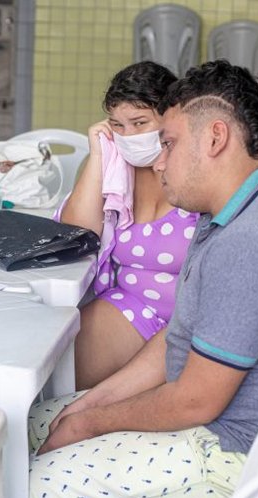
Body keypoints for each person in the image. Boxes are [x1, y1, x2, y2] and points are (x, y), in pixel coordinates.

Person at [28, 61, 258, 498]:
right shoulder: (231, 210)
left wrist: (91, 423)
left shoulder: (254, 240)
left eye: (169, 143)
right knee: (25, 425)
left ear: (215, 138)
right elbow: (177, 336)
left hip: (247, 460)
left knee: (29, 489)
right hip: (220, 425)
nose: (157, 161)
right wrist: (92, 404)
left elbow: (196, 399)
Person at [57, 62, 199, 389]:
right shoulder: (119, 171)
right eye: (117, 125)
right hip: (129, 306)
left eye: (139, 123)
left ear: (171, 118)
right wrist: (98, 154)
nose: (129, 136)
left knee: (60, 378)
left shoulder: (194, 175)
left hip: (184, 323)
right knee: (49, 363)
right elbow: (76, 232)